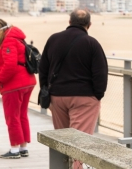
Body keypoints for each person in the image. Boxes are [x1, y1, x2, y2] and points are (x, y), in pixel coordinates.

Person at [39, 10, 108, 153]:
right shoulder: (91, 43)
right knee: (79, 143)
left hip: (57, 96)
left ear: (69, 22)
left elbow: (43, 68)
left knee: (63, 141)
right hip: (84, 97)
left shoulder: (54, 39)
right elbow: (100, 73)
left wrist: (46, 89)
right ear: (89, 24)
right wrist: (97, 95)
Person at [0, 19, 36, 159]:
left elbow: (10, 65)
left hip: (15, 85)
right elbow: (12, 59)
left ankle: (14, 150)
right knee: (22, 115)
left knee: (12, 117)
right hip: (27, 82)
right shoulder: (17, 38)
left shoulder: (8, 41)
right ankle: (23, 147)